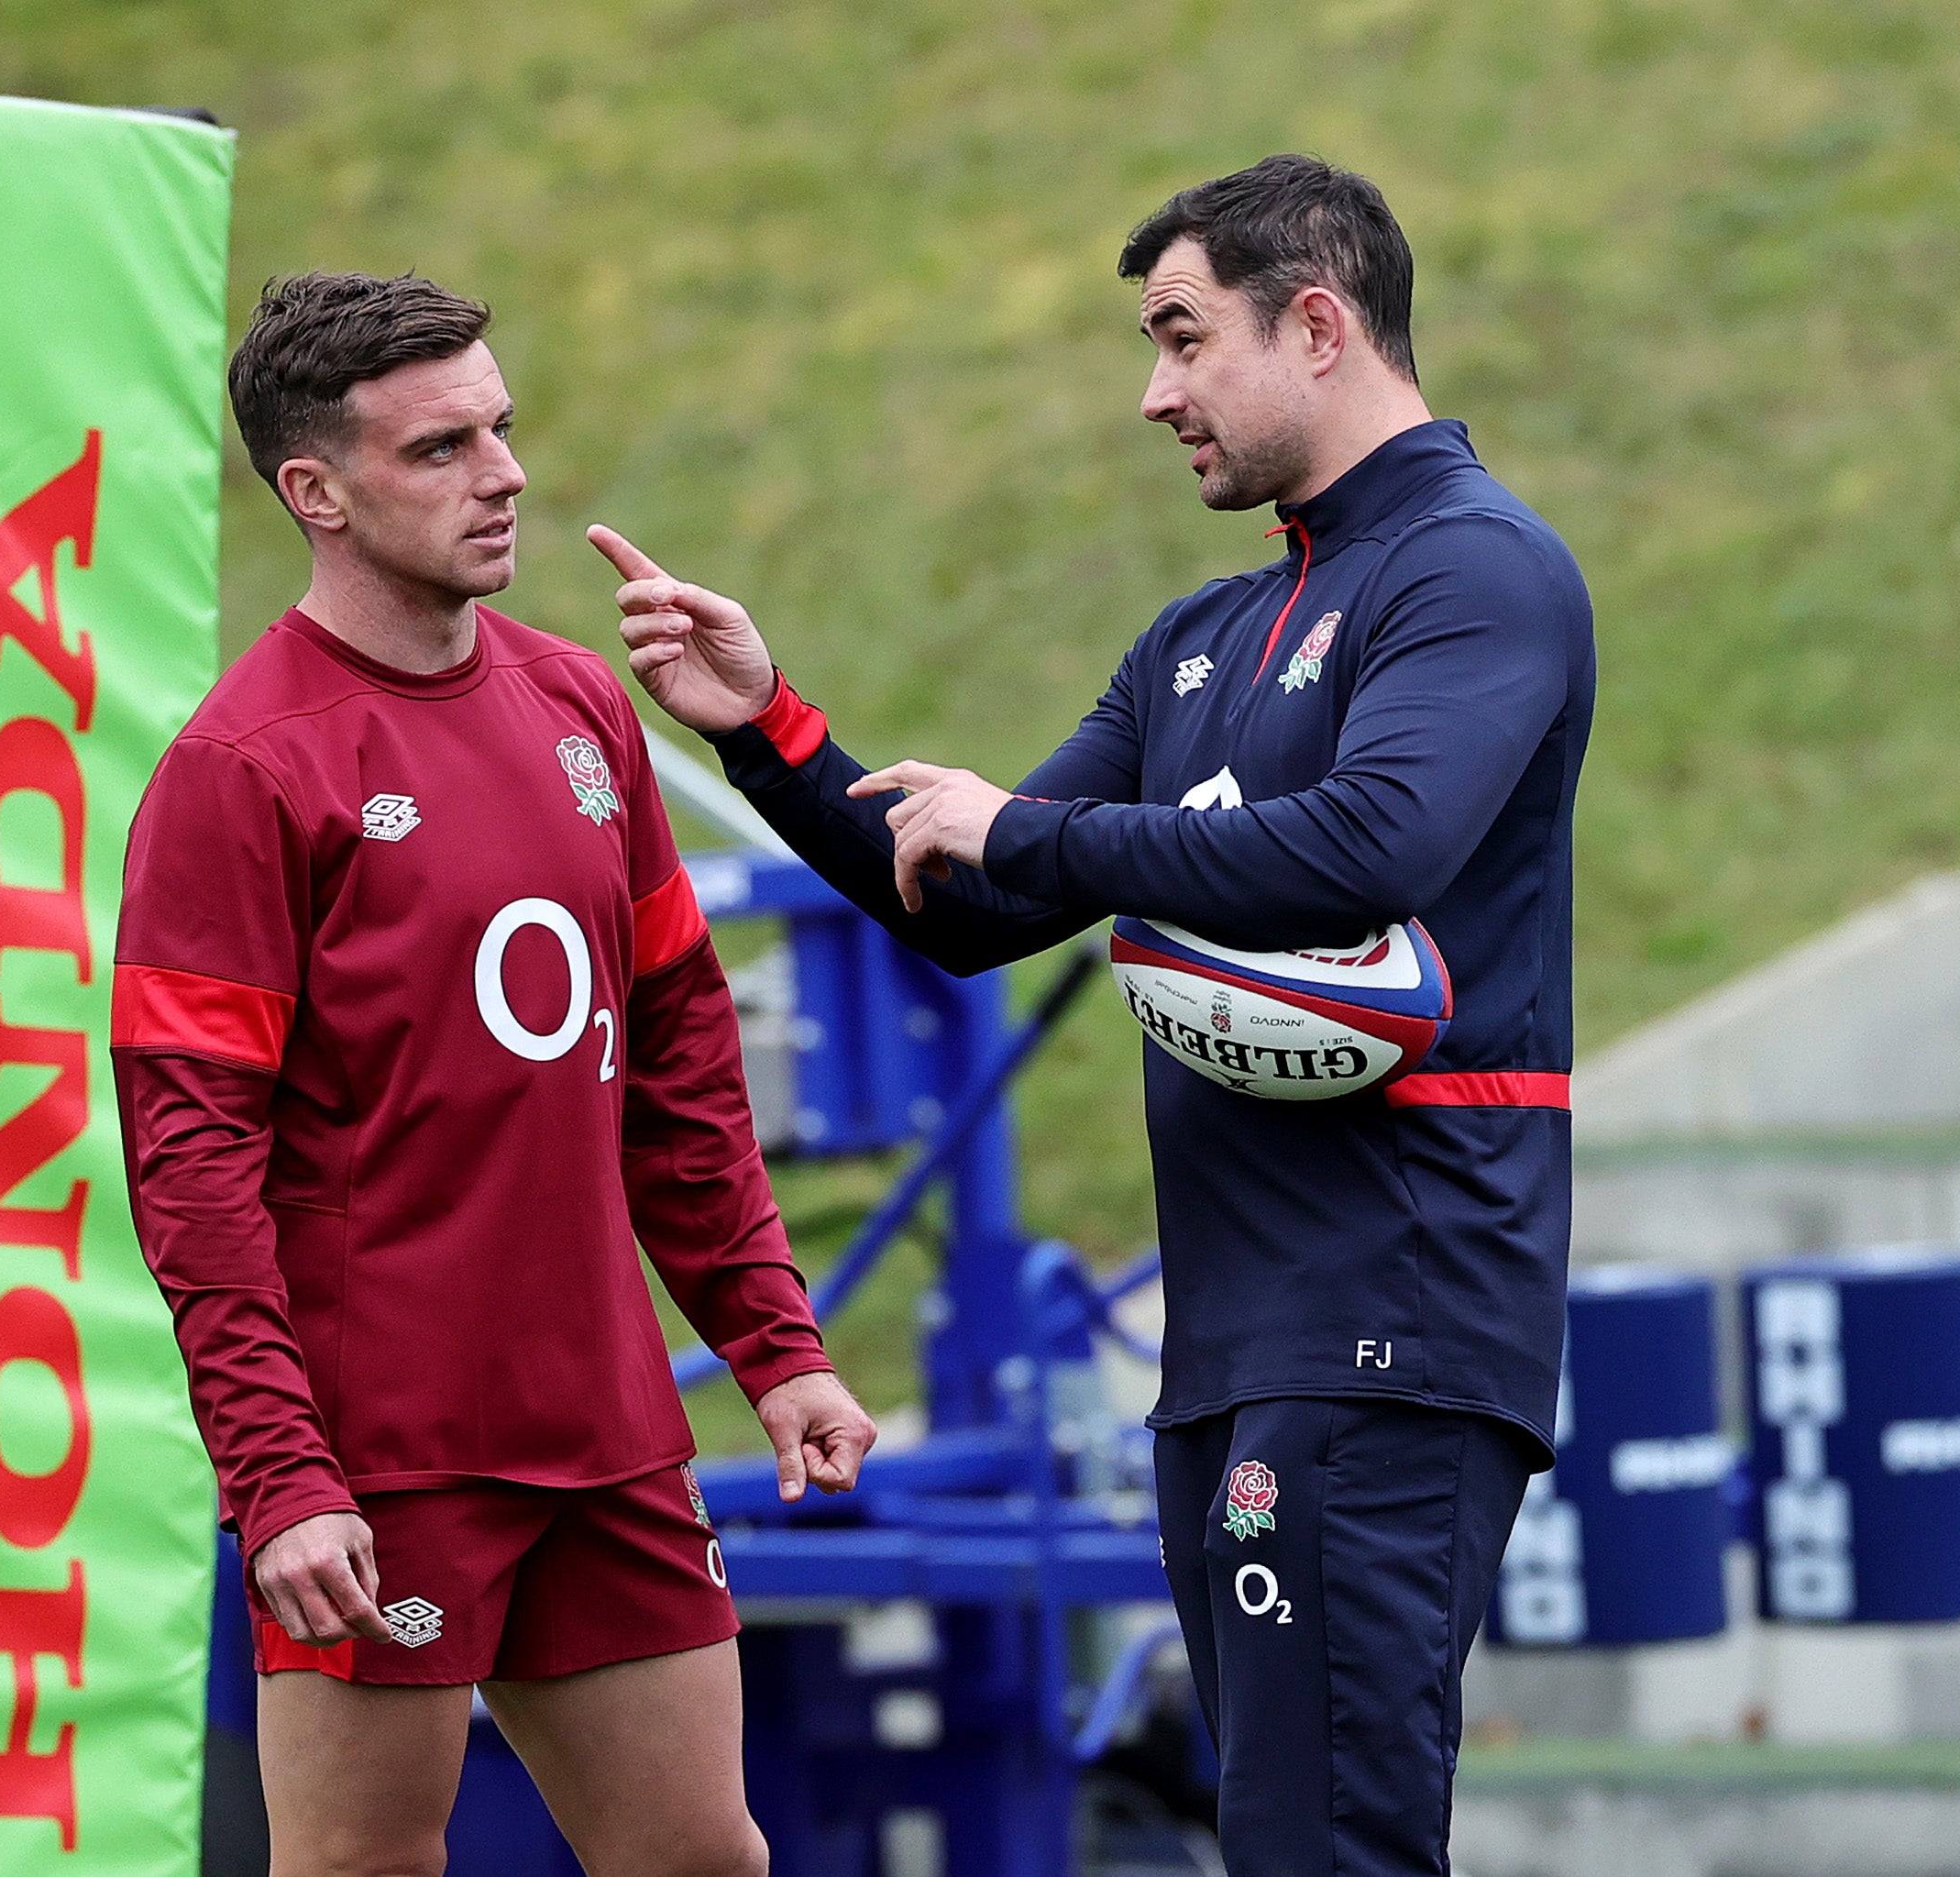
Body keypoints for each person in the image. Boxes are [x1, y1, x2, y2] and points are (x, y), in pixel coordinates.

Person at [593, 156, 1594, 1876]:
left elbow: (1378, 843)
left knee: (1328, 1849)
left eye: (1183, 338)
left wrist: (1036, 829)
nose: (1156, 392)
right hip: (1236, 1347)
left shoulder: (1479, 570)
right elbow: (974, 906)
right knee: (1285, 1836)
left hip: (1394, 1322)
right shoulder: (1205, 634)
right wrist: (767, 733)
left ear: (1321, 324)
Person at [113, 270, 877, 1877]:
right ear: (315, 492)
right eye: (442, 447)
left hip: (609, 1430)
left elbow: (678, 1070)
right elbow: (193, 1171)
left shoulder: (583, 703)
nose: (506, 472)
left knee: (706, 1860)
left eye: (503, 430)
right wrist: (281, 1474)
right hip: (381, 1458)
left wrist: (777, 1347)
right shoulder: (241, 772)